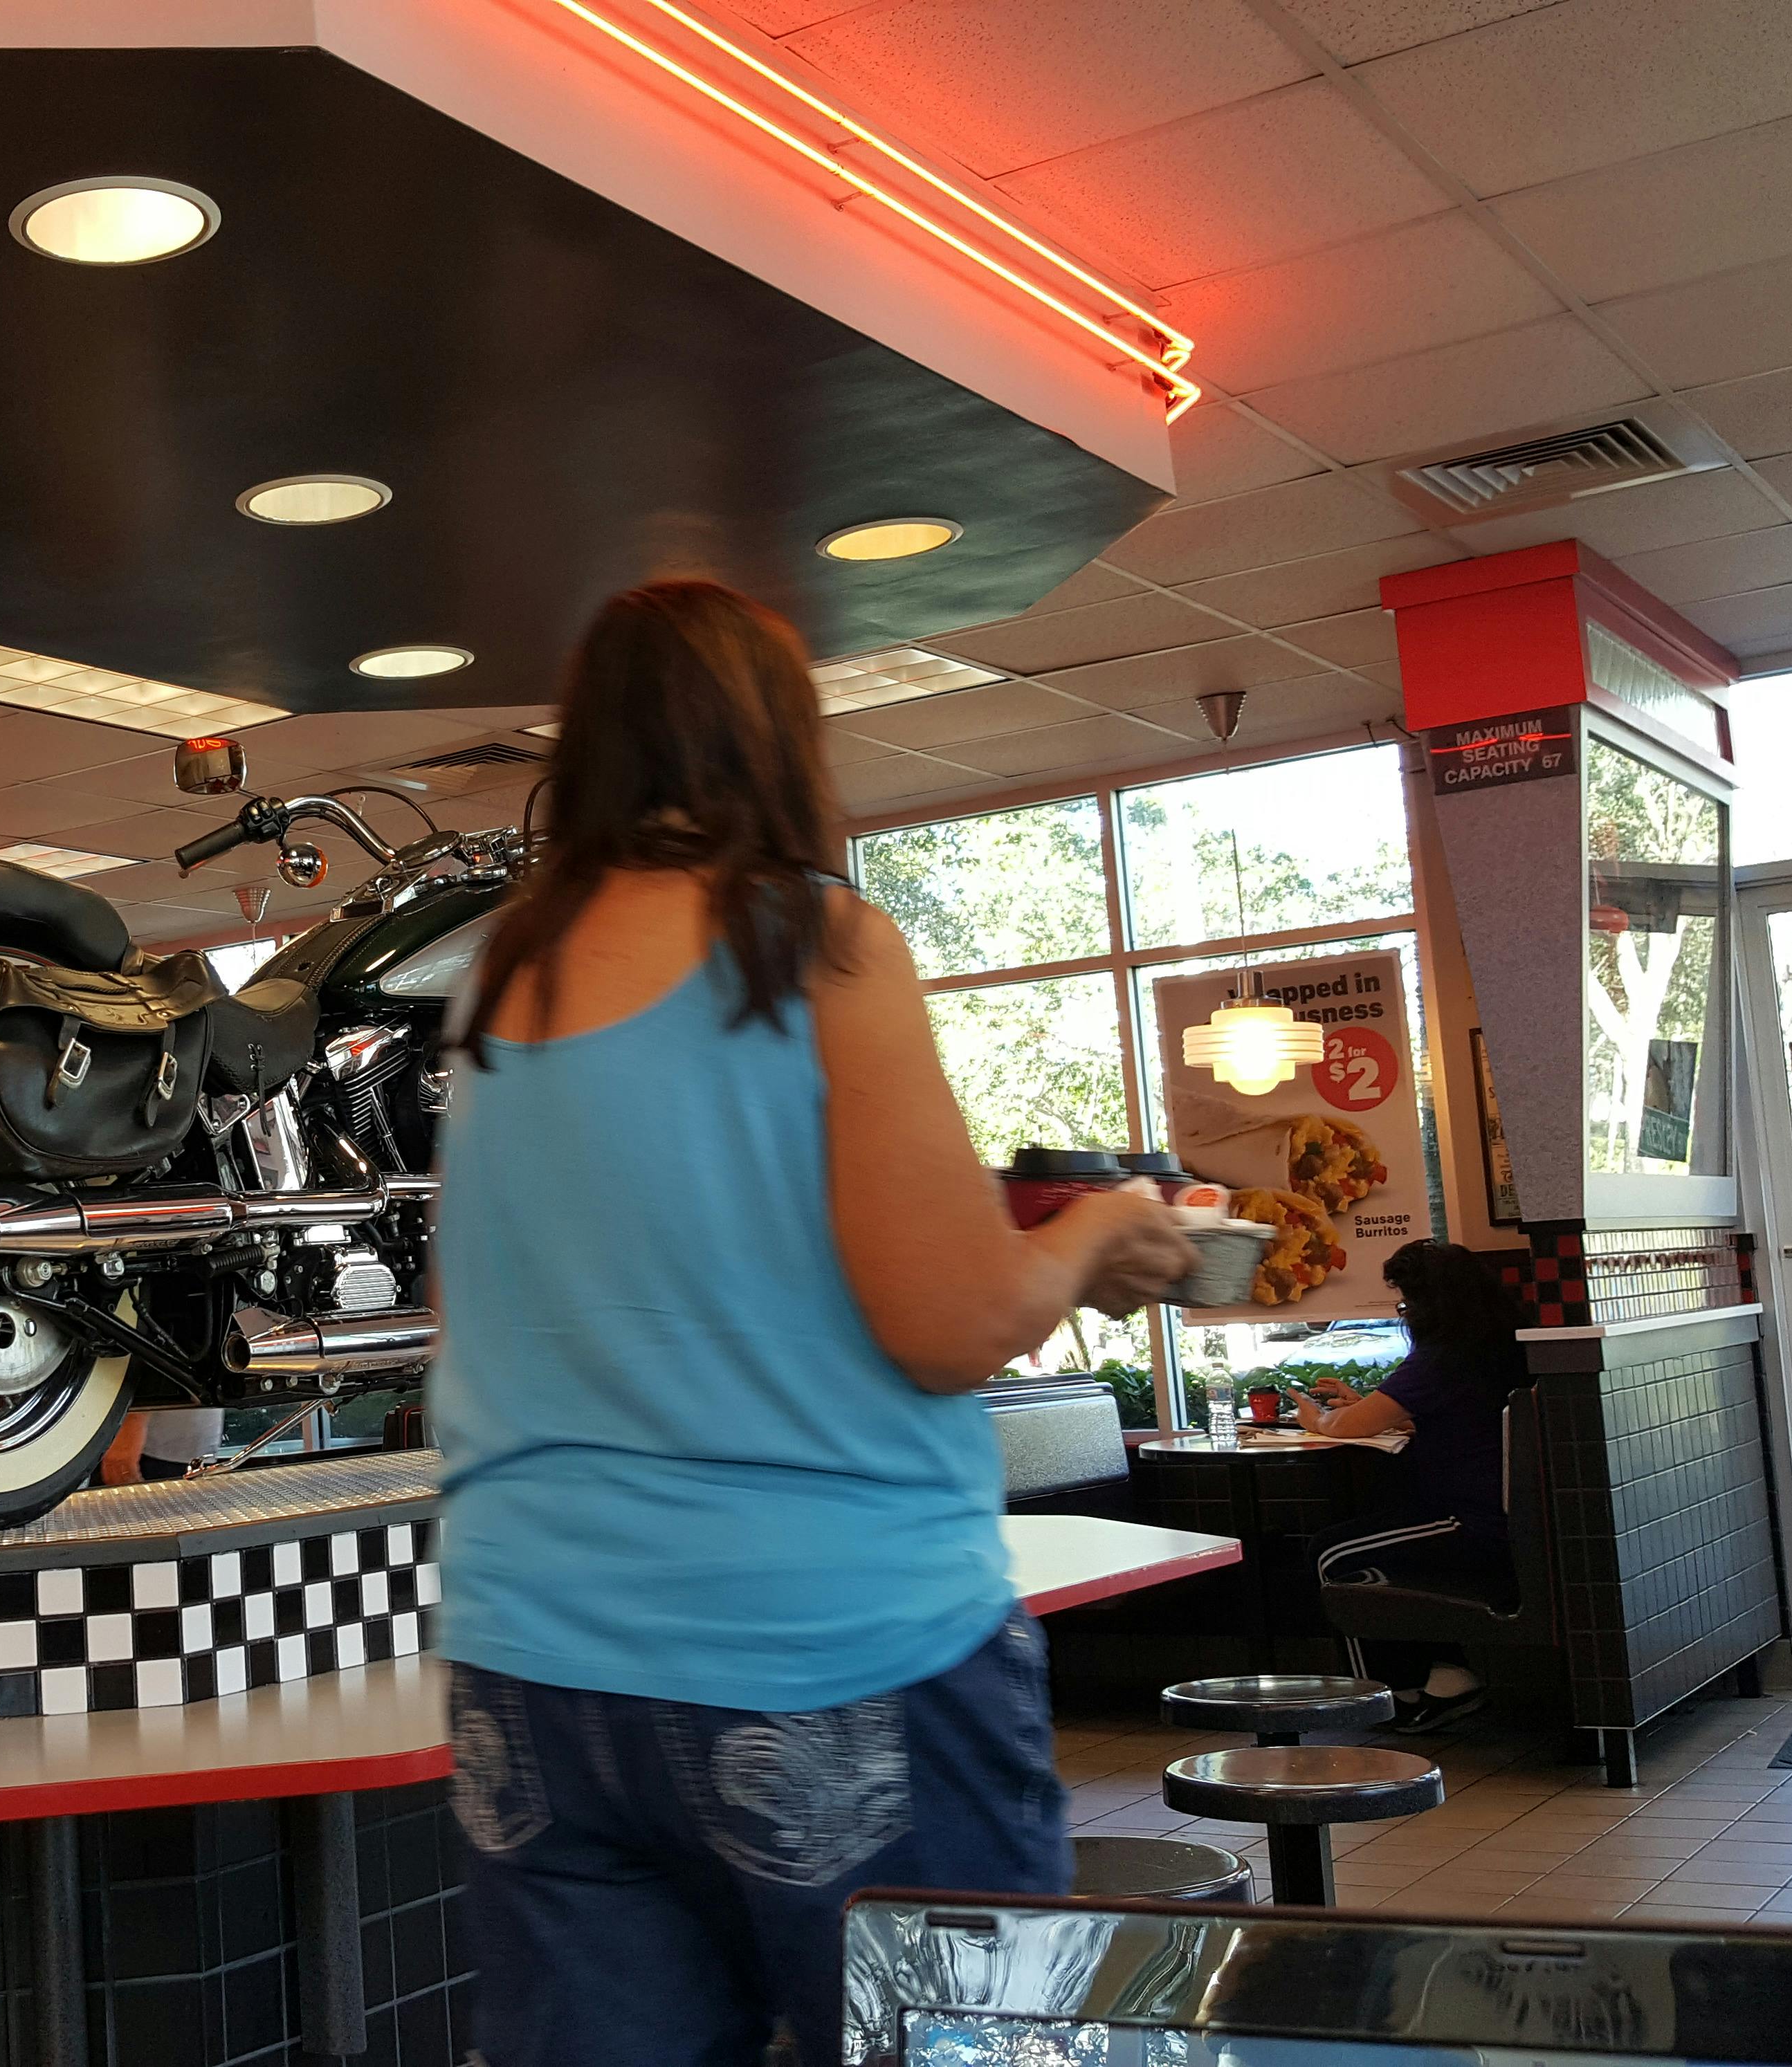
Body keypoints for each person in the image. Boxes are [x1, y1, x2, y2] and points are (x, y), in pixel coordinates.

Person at [430, 578, 1196, 2067]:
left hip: (535, 1667)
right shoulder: (815, 942)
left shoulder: (494, 987)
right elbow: (949, 1326)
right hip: (828, 1647)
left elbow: (489, 1313)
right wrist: (1101, 1232)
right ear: (780, 740)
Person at [1292, 1238, 1530, 1733]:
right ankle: (1447, 1678)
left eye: (1404, 1302)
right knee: (1360, 1552)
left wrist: (1315, 1418)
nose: (1404, 1312)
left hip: (1469, 1521)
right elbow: (1441, 1419)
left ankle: (1379, 1700)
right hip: (1501, 1518)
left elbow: (1350, 1427)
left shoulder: (1442, 1356)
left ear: (1429, 1303)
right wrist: (1362, 1404)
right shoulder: (1498, 1342)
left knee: (1332, 1557)